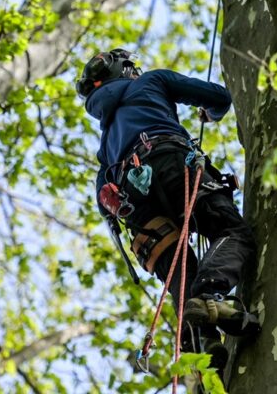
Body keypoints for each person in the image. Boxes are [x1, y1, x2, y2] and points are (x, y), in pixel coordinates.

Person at [77, 48, 258, 372]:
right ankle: (209, 297)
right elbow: (219, 97)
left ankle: (201, 340)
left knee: (178, 269)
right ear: (126, 70)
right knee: (231, 232)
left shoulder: (106, 144)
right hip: (172, 163)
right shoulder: (150, 82)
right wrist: (211, 114)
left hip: (135, 204)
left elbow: (104, 202)